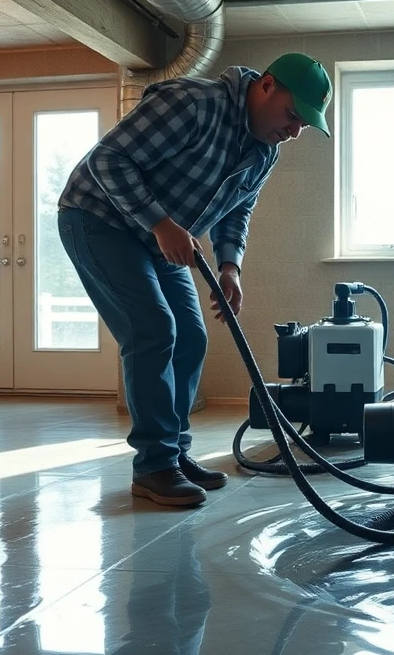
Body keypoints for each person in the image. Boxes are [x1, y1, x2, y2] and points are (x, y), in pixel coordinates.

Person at [56, 52, 333, 507]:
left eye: (305, 123)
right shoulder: (193, 104)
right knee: (152, 330)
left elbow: (238, 210)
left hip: (157, 237)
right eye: (292, 115)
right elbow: (108, 161)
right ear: (265, 86)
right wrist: (161, 223)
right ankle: (153, 465)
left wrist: (230, 267)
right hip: (98, 218)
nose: (295, 130)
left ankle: (175, 454)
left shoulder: (265, 151)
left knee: (190, 337)